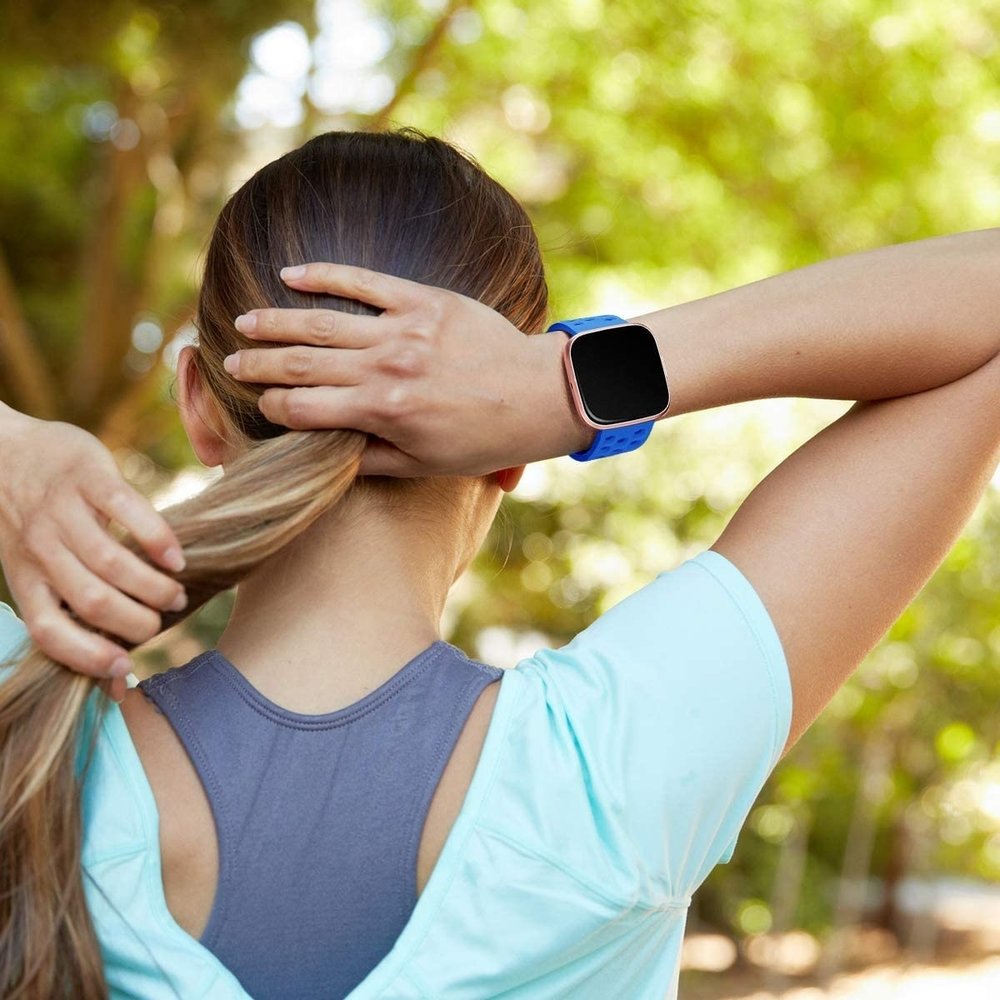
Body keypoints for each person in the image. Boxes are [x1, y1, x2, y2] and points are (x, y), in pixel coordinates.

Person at [0, 128, 997, 999]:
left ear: (196, 402)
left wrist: (13, 451)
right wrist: (572, 381)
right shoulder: (618, 765)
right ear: (511, 454)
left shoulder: (27, 724)